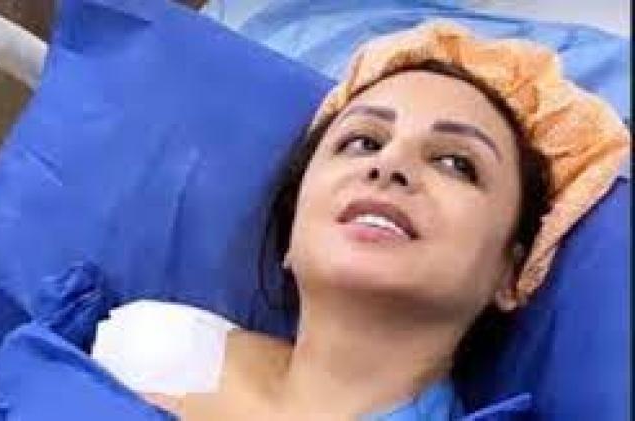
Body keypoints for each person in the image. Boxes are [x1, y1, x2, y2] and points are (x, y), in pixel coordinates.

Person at [90, 20, 629, 420]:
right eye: (362, 141)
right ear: (292, 231)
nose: (390, 165)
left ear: (512, 273)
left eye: (456, 164)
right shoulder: (153, 343)